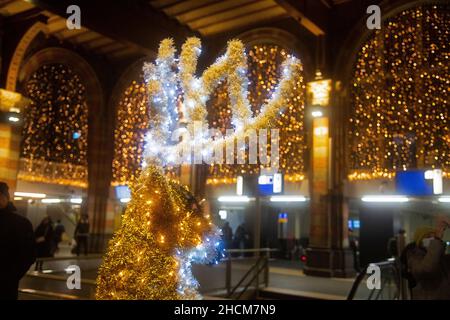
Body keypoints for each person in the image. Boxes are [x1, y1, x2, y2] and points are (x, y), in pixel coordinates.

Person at [0, 182, 36, 300]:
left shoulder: (21, 224)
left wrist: (10, 277)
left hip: (5, 286)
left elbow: (28, 255)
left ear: (5, 198)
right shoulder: (22, 223)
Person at [402, 217, 450, 300]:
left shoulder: (440, 257)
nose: (432, 240)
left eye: (433, 236)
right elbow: (426, 269)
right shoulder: (414, 256)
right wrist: (437, 239)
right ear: (420, 240)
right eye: (428, 236)